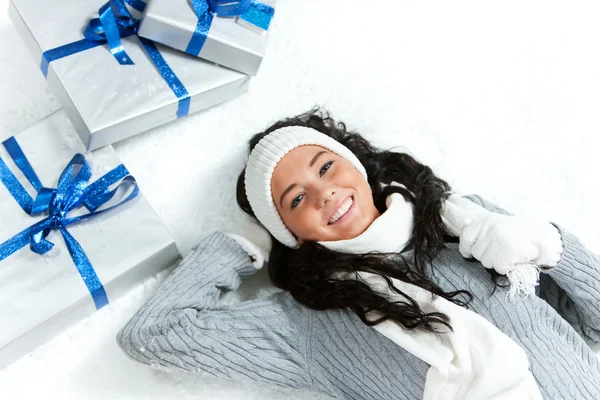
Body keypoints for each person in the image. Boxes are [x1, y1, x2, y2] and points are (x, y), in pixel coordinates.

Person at [117, 109, 600, 399]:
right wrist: (244, 245)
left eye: (326, 167)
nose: (324, 193)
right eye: (295, 200)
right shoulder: (309, 324)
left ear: (357, 168)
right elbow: (154, 334)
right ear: (291, 233)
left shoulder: (469, 228)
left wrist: (553, 247)